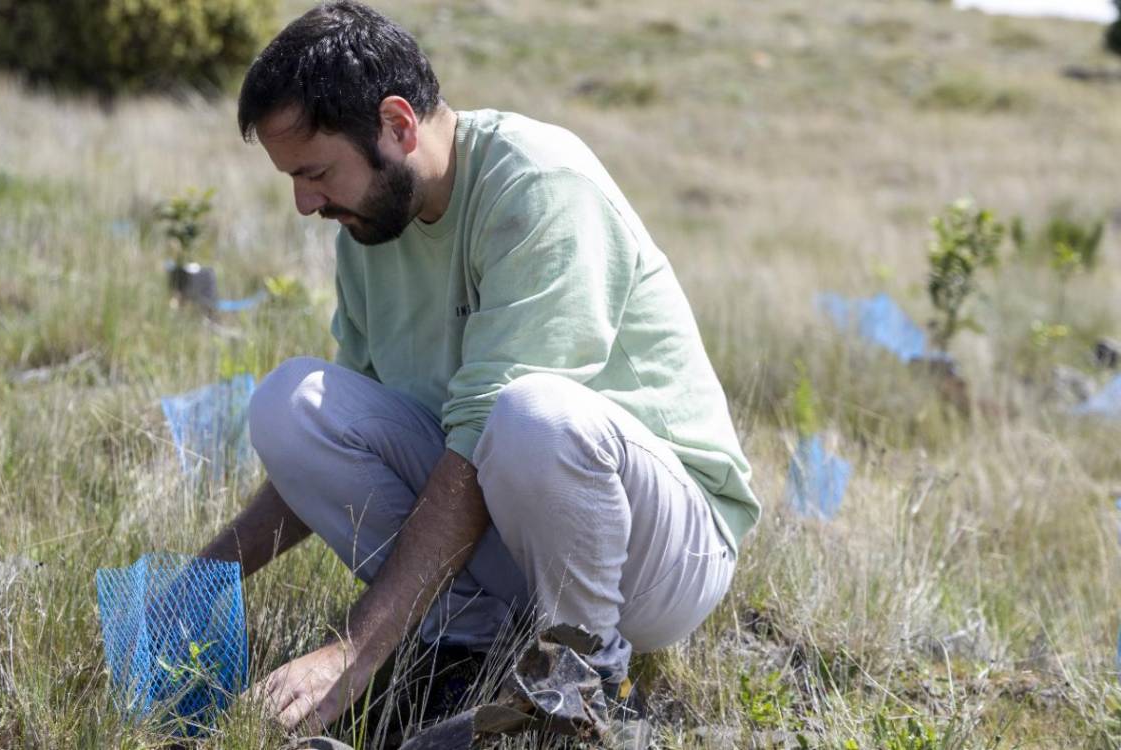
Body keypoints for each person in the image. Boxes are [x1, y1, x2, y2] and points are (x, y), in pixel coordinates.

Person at [195, 0, 760, 732]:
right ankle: (466, 650)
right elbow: (349, 446)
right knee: (290, 404)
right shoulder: (368, 234)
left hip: (661, 553)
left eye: (316, 173)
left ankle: (583, 679)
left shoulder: (540, 186)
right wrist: (206, 577)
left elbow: (485, 439)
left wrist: (353, 650)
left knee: (527, 415)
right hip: (516, 527)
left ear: (398, 125)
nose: (305, 204)